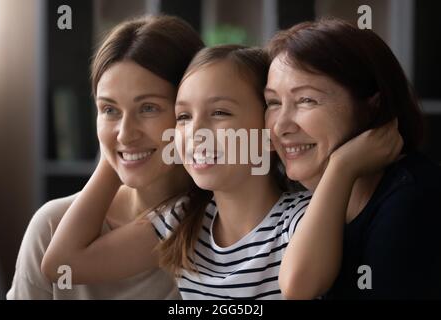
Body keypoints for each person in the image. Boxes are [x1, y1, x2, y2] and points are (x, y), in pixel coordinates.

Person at [41, 43, 401, 300]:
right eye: (183, 117)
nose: (195, 132)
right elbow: (62, 266)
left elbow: (300, 286)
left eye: (220, 113)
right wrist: (118, 152)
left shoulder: (303, 216)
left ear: (266, 129)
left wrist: (342, 167)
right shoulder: (183, 221)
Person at [7, 14, 203, 299]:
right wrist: (111, 160)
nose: (125, 133)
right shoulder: (51, 227)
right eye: (109, 110)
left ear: (188, 112)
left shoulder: (221, 230)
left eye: (148, 108)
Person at [265, 18, 441, 299]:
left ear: (372, 106)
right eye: (273, 102)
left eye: (307, 100)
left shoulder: (413, 201)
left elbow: (296, 289)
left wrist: (341, 165)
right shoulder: (300, 195)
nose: (280, 125)